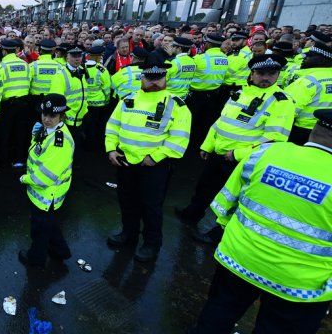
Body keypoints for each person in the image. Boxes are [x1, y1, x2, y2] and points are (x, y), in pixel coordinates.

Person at [189, 109, 332, 334]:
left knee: (218, 313)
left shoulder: (267, 152)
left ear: (314, 131)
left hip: (238, 259)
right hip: (300, 285)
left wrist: (236, 237)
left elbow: (225, 203)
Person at [176, 55, 295, 241]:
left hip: (241, 160)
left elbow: (274, 140)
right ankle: (193, 213)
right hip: (219, 154)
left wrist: (238, 154)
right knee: (205, 186)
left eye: (272, 73)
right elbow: (221, 121)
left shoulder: (281, 101)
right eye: (261, 73)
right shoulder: (240, 93)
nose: (266, 78)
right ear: (252, 73)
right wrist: (207, 145)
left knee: (232, 198)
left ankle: (219, 232)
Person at [105, 56, 191, 262]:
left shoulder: (177, 105)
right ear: (142, 78)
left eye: (159, 77)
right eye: (150, 77)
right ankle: (129, 233)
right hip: (125, 162)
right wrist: (111, 150)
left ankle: (152, 243)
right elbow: (112, 126)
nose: (154, 81)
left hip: (153, 166)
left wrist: (155, 157)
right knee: (127, 201)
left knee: (151, 207)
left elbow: (179, 139)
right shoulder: (128, 99)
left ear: (165, 78)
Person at [18, 94, 75, 268]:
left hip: (46, 193)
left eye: (52, 116)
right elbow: (37, 152)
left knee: (39, 229)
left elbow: (45, 176)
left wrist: (24, 178)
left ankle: (35, 260)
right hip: (43, 194)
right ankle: (61, 251)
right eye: (44, 114)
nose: (46, 119)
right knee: (47, 224)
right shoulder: (48, 130)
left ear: (61, 116)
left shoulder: (60, 141)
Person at [284, 32, 332, 144]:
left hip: (300, 131)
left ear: (322, 61)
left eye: (310, 56)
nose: (304, 58)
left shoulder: (308, 80)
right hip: (326, 131)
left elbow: (288, 109)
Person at [187, 34, 230, 147]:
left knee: (192, 121)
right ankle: (200, 143)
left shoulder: (200, 58)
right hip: (214, 94)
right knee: (206, 121)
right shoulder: (225, 58)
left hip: (196, 95)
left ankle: (189, 144)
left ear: (208, 44)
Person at [0, 39, 31, 169]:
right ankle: (19, 160)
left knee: (5, 134)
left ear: (4, 51)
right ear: (16, 50)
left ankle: (3, 162)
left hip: (8, 105)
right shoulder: (25, 64)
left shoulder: (2, 66)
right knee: (20, 133)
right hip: (24, 103)